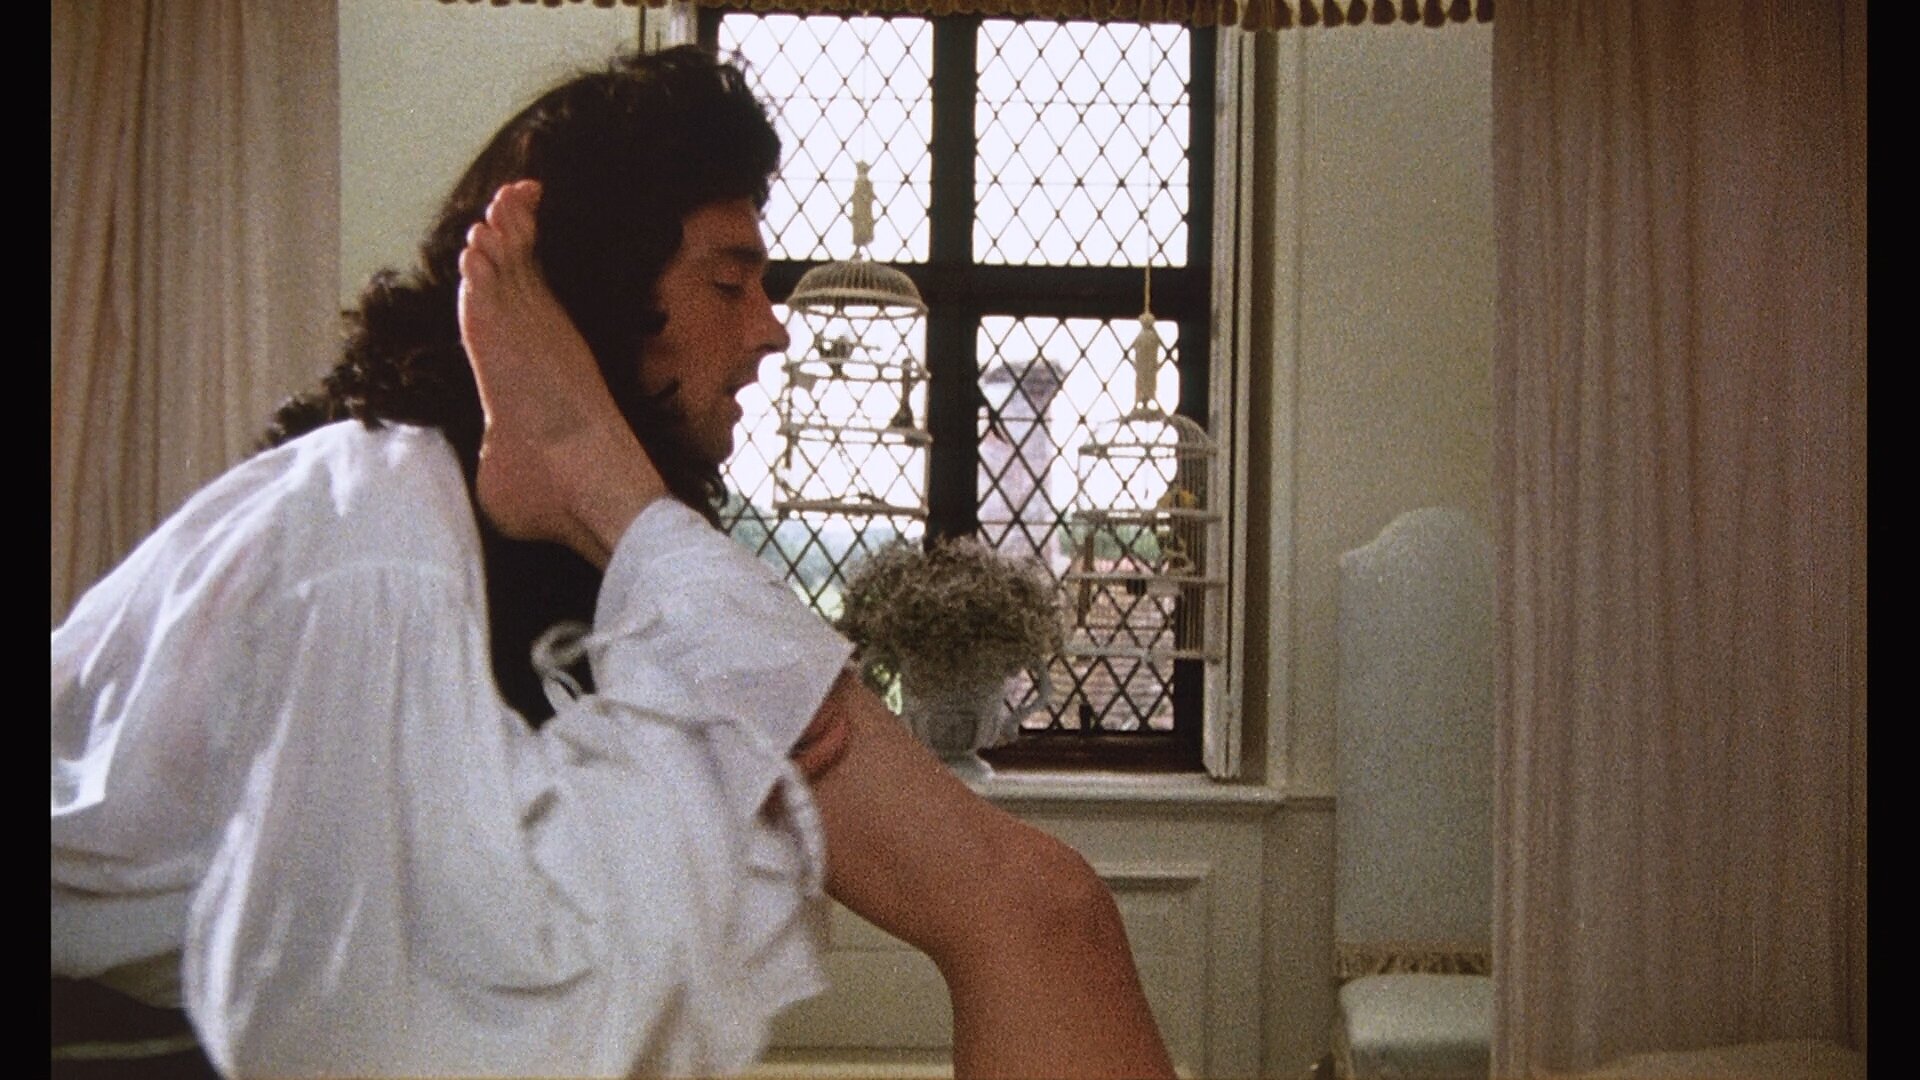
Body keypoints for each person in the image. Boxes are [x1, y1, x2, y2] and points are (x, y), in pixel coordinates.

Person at [51, 45, 1176, 1080]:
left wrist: (705, 707)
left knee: (1055, 909)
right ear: (586, 304)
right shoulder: (378, 533)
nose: (772, 329)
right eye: (729, 284)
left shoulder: (552, 561)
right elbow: (402, 1026)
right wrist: (702, 742)